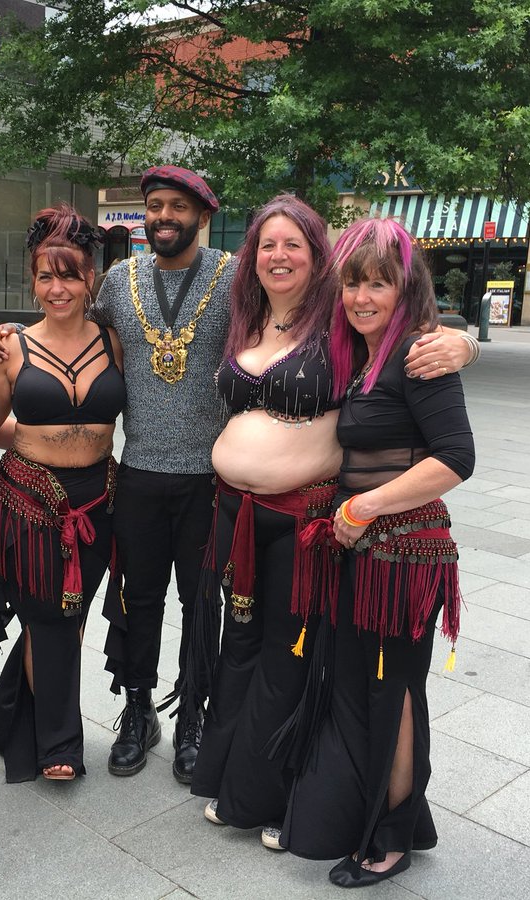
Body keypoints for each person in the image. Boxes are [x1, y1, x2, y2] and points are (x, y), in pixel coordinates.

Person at [0, 168, 479, 784]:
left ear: (203, 214)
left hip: (208, 484)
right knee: (135, 601)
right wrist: (1, 339)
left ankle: (193, 715)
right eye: (154, 207)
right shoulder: (116, 279)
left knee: (204, 605)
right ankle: (137, 710)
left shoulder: (234, 278)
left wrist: (463, 341)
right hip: (136, 473)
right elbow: (69, 320)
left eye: (179, 207)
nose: (164, 216)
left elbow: (365, 306)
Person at [279, 217, 475, 887]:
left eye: (378, 285)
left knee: (393, 692)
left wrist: (363, 506)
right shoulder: (366, 355)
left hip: (402, 558)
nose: (361, 297)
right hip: (365, 556)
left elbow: (456, 458)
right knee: (377, 690)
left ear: (404, 288)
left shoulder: (418, 354)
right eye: (353, 284)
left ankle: (391, 837)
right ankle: (401, 816)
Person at [188, 195, 342, 850]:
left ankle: (269, 797)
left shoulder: (340, 324)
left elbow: (413, 331)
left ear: (316, 254)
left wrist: (465, 344)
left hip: (301, 519)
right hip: (234, 513)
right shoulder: (245, 322)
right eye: (266, 246)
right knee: (240, 645)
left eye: (293, 245)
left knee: (289, 652)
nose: (278, 257)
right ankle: (228, 781)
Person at [0, 205, 124, 782]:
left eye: (69, 274)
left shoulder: (115, 339)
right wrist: (41, 439)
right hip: (30, 501)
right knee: (51, 621)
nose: (56, 288)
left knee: (71, 616)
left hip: (97, 500)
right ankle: (58, 742)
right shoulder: (9, 347)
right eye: (45, 275)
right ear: (32, 280)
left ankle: (3, 715)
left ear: (91, 277)